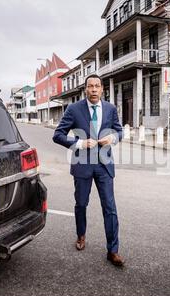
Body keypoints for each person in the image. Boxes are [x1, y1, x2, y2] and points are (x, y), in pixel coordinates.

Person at [52, 74, 124, 267]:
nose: (93, 90)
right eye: (90, 86)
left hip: (104, 166)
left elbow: (119, 131)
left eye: (97, 86)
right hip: (82, 165)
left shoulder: (110, 109)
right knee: (81, 204)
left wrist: (113, 138)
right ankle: (81, 235)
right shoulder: (74, 109)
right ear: (85, 89)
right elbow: (57, 135)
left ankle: (113, 250)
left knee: (110, 208)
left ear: (102, 89)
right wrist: (81, 143)